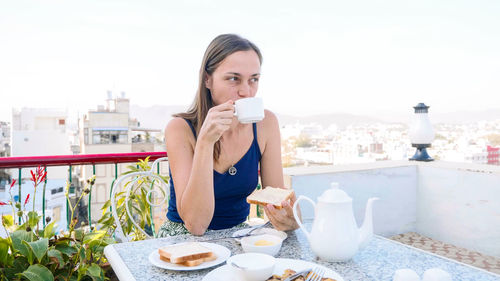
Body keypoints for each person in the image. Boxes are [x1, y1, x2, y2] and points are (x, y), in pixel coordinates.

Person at [158, 34, 299, 237]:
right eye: (234, 79)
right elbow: (196, 225)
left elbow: (279, 199)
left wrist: (290, 218)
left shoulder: (265, 124)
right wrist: (205, 143)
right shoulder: (180, 129)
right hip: (182, 237)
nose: (246, 91)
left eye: (254, 80)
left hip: (237, 235)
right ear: (207, 79)